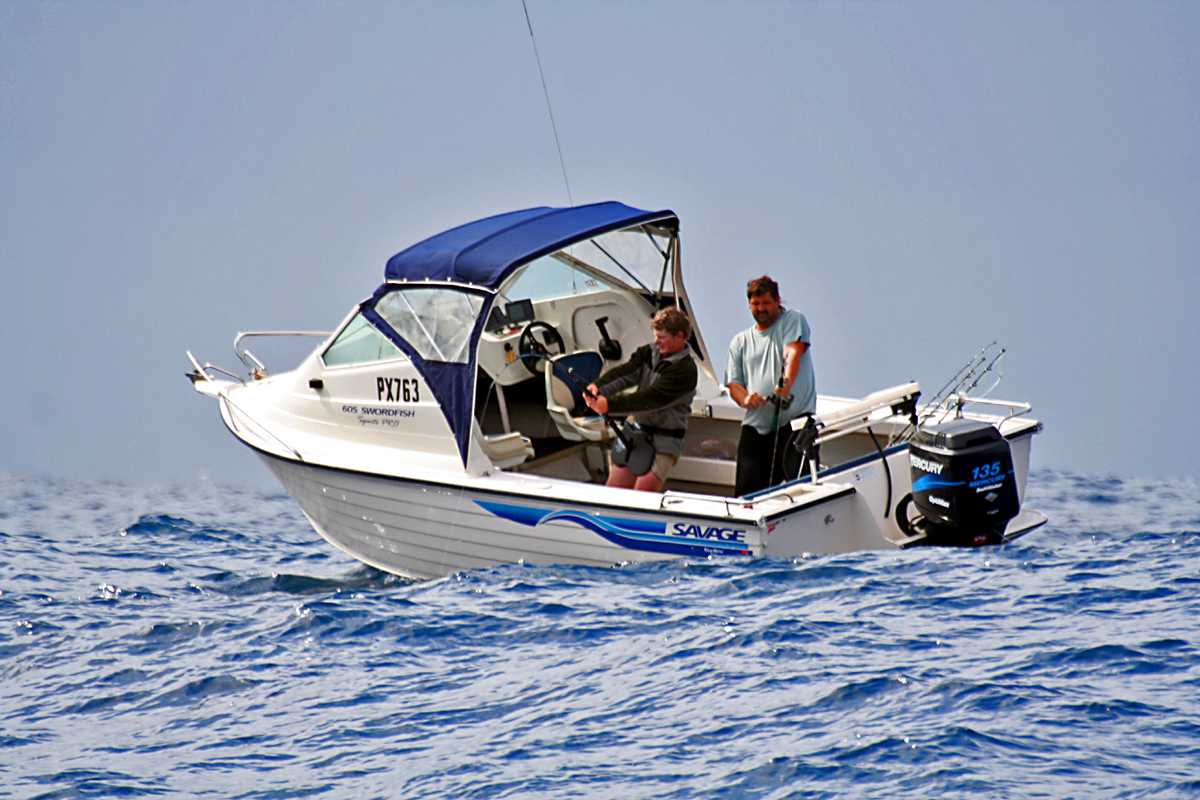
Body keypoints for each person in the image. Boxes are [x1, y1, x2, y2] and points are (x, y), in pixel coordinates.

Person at [584, 307, 698, 492]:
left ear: (680, 336)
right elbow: (626, 373)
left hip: (665, 441)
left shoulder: (686, 371)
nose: (656, 341)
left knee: (642, 498)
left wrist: (609, 406)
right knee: (612, 493)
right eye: (655, 335)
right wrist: (598, 387)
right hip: (636, 434)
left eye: (662, 337)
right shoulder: (648, 353)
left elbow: (650, 399)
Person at [725, 276, 816, 496]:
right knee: (747, 493)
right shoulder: (740, 342)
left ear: (777, 300)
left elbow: (792, 352)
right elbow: (734, 384)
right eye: (756, 304)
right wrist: (746, 399)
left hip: (795, 424)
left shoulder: (793, 320)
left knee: (800, 488)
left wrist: (785, 383)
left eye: (766, 303)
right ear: (749, 305)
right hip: (756, 427)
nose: (761, 308)